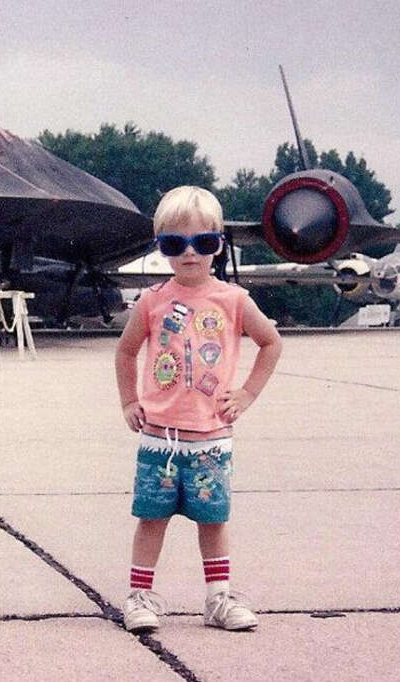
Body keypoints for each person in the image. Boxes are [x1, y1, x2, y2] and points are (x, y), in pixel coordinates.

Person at [115, 186, 282, 633]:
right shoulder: (151, 301)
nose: (189, 254)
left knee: (213, 520)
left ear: (218, 245)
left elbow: (270, 342)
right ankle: (140, 596)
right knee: (152, 518)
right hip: (160, 438)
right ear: (161, 248)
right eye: (174, 244)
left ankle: (218, 598)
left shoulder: (233, 300)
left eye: (202, 243)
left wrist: (246, 394)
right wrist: (130, 400)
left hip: (210, 438)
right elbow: (126, 351)